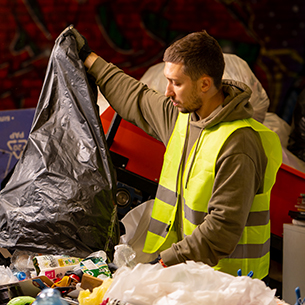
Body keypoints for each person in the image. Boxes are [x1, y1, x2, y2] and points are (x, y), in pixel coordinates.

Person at [65, 26, 282, 280]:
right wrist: (88, 57)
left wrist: (161, 263)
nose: (167, 92)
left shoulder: (239, 143)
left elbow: (221, 229)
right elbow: (136, 97)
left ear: (204, 84)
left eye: (176, 83)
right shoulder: (184, 118)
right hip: (189, 274)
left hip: (227, 284)